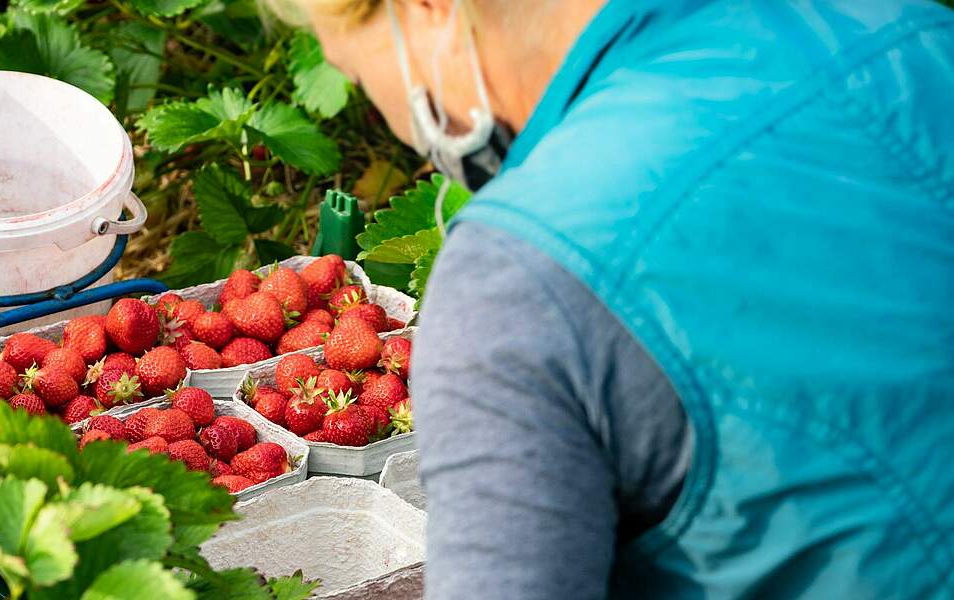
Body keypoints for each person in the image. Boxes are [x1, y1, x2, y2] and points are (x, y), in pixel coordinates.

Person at [271, 0, 954, 597]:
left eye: (360, 79)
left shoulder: (520, 272)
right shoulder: (907, 26)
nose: (395, 123)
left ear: (424, 8)